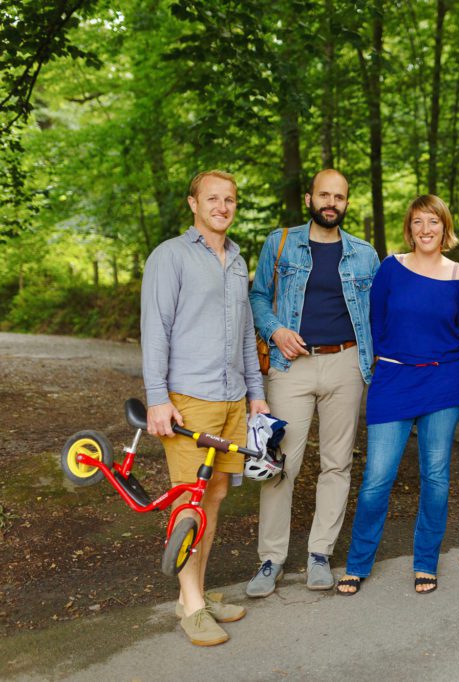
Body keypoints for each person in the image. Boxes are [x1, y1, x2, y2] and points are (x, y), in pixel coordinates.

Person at [141, 170, 270, 646]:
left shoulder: (237, 261)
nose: (222, 206)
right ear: (193, 203)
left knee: (213, 497)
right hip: (188, 400)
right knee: (187, 501)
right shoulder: (170, 256)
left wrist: (255, 392)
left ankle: (193, 590)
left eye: (230, 199)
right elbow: (155, 328)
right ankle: (191, 604)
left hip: (233, 398)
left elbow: (243, 334)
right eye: (212, 198)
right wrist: (157, 397)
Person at [246, 169, 379, 597]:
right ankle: (272, 559)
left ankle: (320, 553)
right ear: (309, 198)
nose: (331, 203)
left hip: (345, 364)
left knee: (337, 463)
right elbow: (258, 296)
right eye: (324, 194)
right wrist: (274, 330)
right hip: (291, 365)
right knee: (280, 463)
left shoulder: (364, 254)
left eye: (339, 197)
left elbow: (381, 313)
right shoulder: (280, 242)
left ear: (346, 203)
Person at [336, 195, 459, 596]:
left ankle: (425, 563)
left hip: (442, 382)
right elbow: (374, 323)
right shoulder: (391, 268)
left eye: (433, 221)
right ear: (409, 228)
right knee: (377, 479)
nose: (426, 229)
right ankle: (358, 563)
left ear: (445, 227)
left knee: (435, 478)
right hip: (393, 379)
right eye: (418, 222)